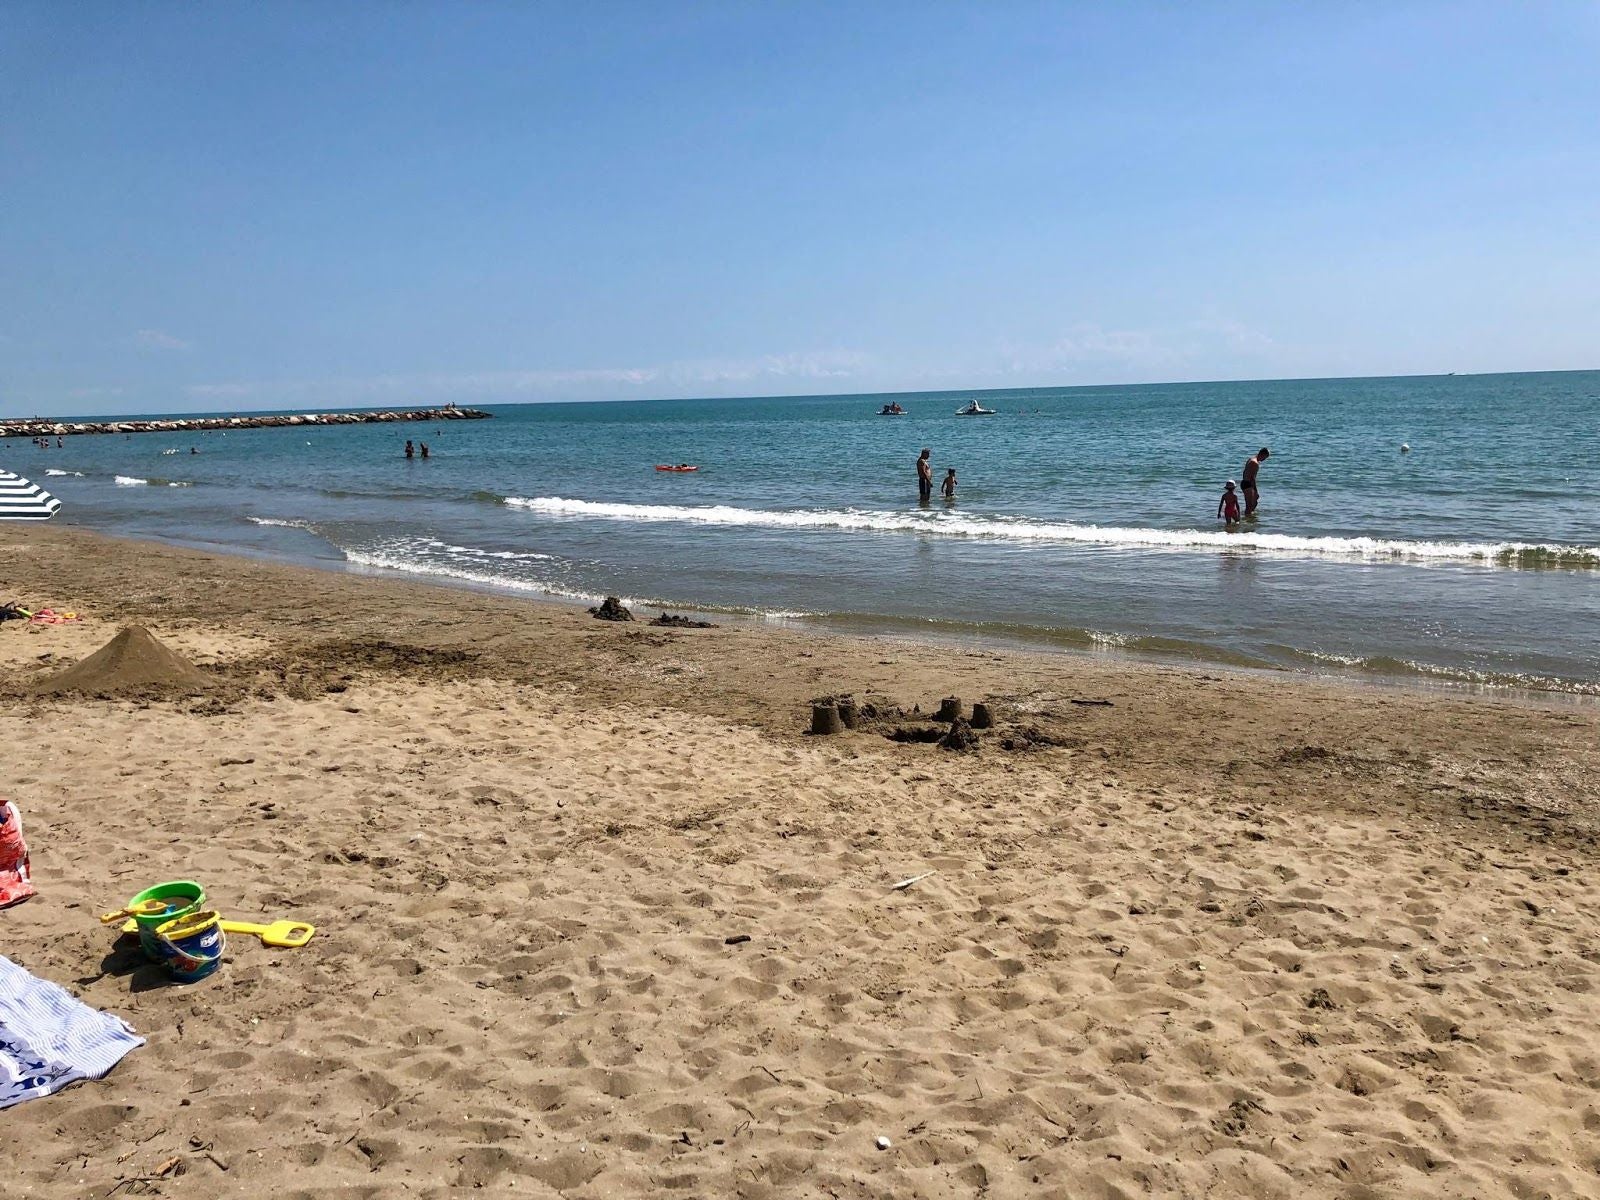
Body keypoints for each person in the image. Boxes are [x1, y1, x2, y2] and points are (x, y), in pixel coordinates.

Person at [1241, 447, 1269, 515]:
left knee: (1254, 503)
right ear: (1262, 454)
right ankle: (1247, 518)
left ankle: (1248, 518)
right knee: (1249, 506)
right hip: (1248, 484)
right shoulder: (1255, 463)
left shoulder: (1250, 459)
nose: (1264, 460)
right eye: (1265, 458)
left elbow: (1244, 472)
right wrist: (1255, 490)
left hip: (1244, 483)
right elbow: (1252, 478)